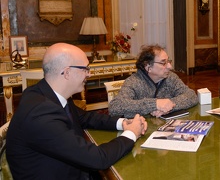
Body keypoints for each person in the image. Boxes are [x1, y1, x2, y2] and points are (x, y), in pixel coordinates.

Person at [6, 43, 148, 179]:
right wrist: (132, 133)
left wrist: (124, 123)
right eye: (85, 69)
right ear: (67, 72)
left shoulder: (46, 94)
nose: (89, 74)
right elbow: (98, 159)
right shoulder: (40, 114)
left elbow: (85, 118)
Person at [109, 44, 198, 118]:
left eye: (168, 61)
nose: (170, 66)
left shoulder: (171, 77)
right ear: (148, 67)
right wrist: (155, 104)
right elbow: (115, 107)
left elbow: (191, 96)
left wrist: (168, 106)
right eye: (163, 63)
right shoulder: (133, 82)